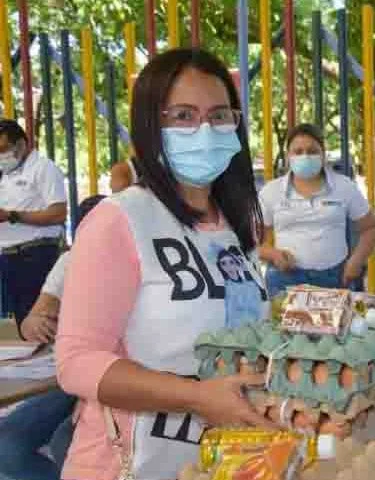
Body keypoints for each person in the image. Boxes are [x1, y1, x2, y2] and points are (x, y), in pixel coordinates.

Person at [55, 48, 275, 480]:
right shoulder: (120, 219)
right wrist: (195, 397)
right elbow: (77, 362)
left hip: (221, 460)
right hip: (129, 462)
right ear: (151, 127)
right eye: (183, 116)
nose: (204, 130)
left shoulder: (236, 223)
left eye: (218, 115)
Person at [0, 195, 105, 480]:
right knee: (7, 441)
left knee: (65, 442)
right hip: (68, 380)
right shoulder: (70, 261)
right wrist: (36, 323)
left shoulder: (136, 263)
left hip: (108, 382)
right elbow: (34, 318)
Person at [258, 123, 375, 296]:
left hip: (336, 279)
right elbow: (252, 241)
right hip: (285, 281)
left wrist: (356, 261)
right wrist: (273, 254)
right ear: (288, 156)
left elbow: (371, 228)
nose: (305, 156)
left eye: (312, 151)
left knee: (338, 324)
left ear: (323, 155)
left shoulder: (344, 186)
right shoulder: (271, 191)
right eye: (298, 152)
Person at [0, 119, 66, 336]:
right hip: (10, 257)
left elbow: (58, 214)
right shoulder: (6, 174)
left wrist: (12, 216)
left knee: (42, 324)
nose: (1, 156)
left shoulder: (43, 168)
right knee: (24, 325)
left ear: (21, 144)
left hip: (36, 255)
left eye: (3, 150)